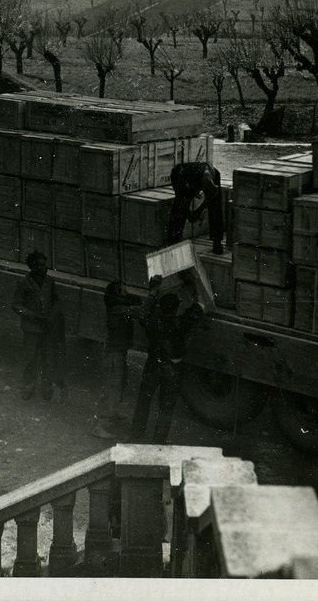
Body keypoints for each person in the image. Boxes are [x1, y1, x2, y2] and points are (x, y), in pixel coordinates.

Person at [130, 275, 204, 444]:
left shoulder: (151, 321)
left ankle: (136, 432)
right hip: (172, 368)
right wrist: (195, 285)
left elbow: (143, 312)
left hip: (153, 365)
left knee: (144, 398)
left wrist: (153, 292)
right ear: (176, 309)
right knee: (166, 406)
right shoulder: (180, 323)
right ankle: (158, 441)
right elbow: (199, 307)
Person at [91, 279, 143, 439]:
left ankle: (112, 413)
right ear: (119, 292)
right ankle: (98, 426)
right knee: (111, 389)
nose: (127, 290)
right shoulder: (120, 309)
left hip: (118, 353)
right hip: (114, 355)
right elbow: (141, 310)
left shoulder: (117, 305)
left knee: (118, 385)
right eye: (124, 289)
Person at [11, 250, 66, 402]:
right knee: (30, 359)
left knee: (48, 359)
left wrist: (52, 316)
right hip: (31, 329)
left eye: (45, 264)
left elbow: (56, 301)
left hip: (47, 328)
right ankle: (28, 387)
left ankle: (46, 388)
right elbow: (16, 305)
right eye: (41, 265)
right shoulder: (24, 283)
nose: (45, 267)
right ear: (33, 267)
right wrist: (33, 316)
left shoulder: (50, 282)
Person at [167, 162, 224, 254]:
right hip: (186, 177)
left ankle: (217, 241)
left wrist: (203, 207)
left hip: (202, 175)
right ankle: (174, 238)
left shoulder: (213, 175)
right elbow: (188, 212)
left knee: (215, 206)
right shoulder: (179, 180)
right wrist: (195, 211)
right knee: (179, 209)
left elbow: (211, 197)